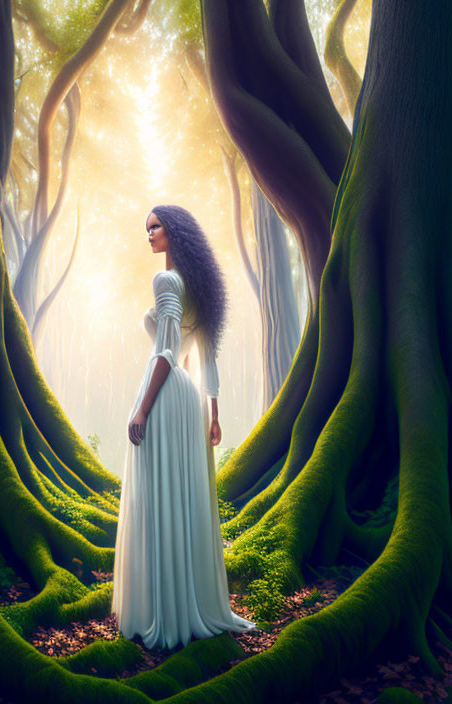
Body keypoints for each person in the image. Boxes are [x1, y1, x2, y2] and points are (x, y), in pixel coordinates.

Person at [112, 204, 256, 650]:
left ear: (173, 232)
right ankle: (185, 605)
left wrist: (143, 408)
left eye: (155, 226)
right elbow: (206, 359)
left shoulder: (168, 281)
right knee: (179, 496)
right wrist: (212, 415)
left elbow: (169, 349)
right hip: (188, 401)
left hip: (165, 394)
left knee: (159, 497)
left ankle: (164, 612)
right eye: (146, 228)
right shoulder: (199, 287)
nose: (149, 233)